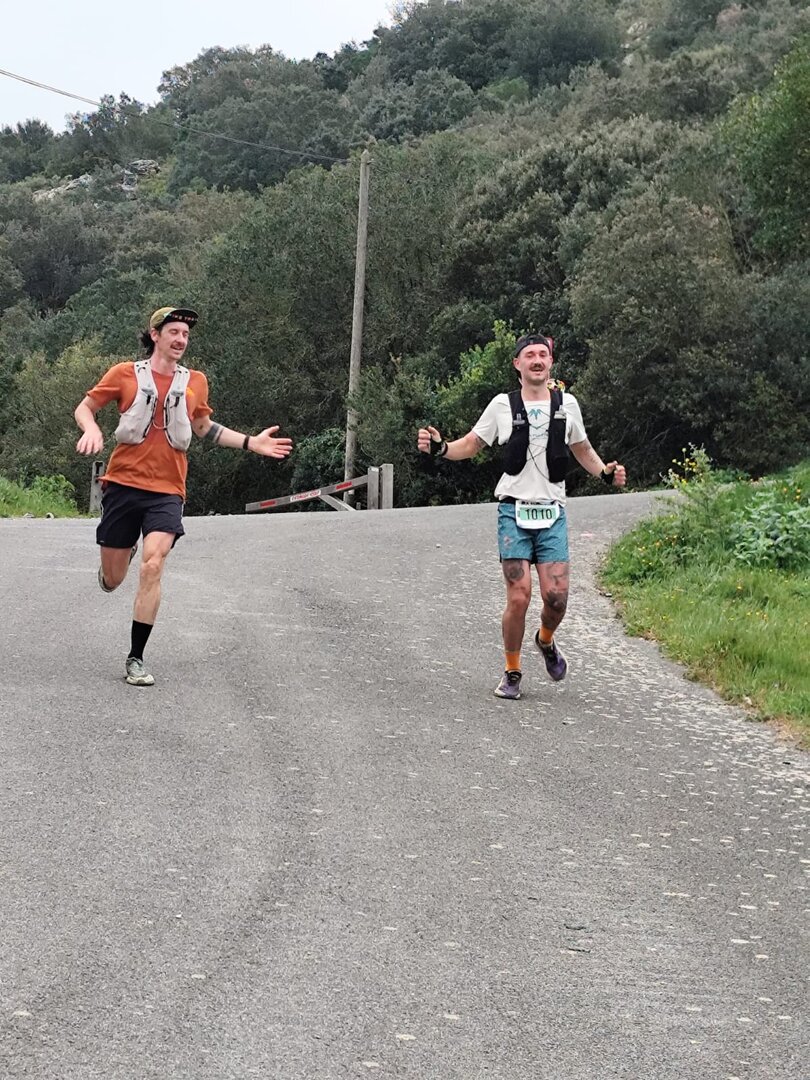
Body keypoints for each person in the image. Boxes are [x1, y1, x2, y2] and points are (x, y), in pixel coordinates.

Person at [75, 306, 292, 687]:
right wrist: (90, 428)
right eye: (173, 332)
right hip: (123, 485)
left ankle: (136, 657)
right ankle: (119, 556)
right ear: (155, 335)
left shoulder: (195, 382)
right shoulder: (125, 373)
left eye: (186, 335)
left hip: (167, 490)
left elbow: (204, 427)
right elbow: (85, 408)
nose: (180, 339)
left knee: (153, 564)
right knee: (113, 579)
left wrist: (250, 442)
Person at [417, 333, 626, 700]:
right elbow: (473, 443)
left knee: (557, 598)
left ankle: (545, 640)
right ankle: (512, 671)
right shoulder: (503, 405)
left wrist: (605, 473)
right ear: (517, 364)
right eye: (529, 355)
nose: (537, 360)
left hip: (552, 513)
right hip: (513, 511)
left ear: (550, 362)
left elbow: (581, 448)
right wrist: (442, 448)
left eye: (543, 354)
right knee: (519, 596)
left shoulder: (567, 405)